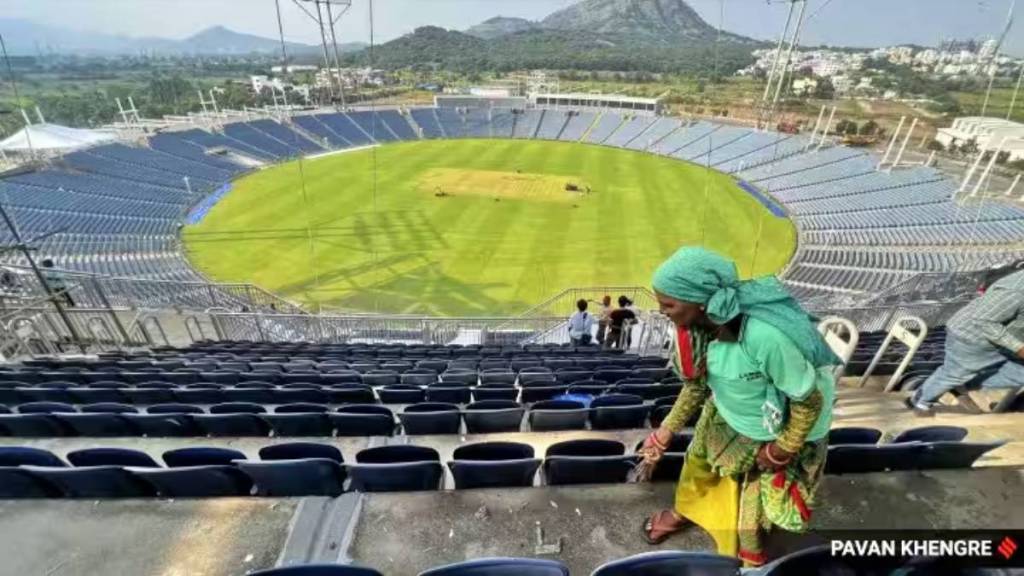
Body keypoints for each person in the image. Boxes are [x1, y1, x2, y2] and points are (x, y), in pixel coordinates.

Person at [638, 247, 837, 567]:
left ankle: (751, 562)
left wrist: (780, 449)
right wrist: (665, 432)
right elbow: (697, 385)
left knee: (753, 509)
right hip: (729, 411)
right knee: (696, 464)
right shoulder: (697, 328)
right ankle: (683, 512)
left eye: (668, 304)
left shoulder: (764, 336)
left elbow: (809, 400)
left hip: (773, 429)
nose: (662, 311)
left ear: (700, 302)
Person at [906, 267, 1024, 415]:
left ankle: (961, 385)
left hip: (1003, 338)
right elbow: (984, 320)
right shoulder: (1016, 291)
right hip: (971, 336)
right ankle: (920, 400)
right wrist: (1019, 347)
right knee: (955, 373)